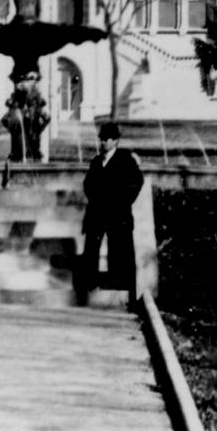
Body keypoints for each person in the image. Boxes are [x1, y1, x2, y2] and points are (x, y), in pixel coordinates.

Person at [79, 120, 144, 298]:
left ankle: (121, 286)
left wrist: (123, 201)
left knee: (120, 250)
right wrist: (96, 199)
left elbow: (136, 182)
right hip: (97, 213)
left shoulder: (125, 160)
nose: (103, 142)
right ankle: (90, 284)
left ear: (116, 141)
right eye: (101, 139)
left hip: (118, 214)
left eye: (107, 139)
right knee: (92, 248)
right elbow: (88, 184)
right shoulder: (96, 161)